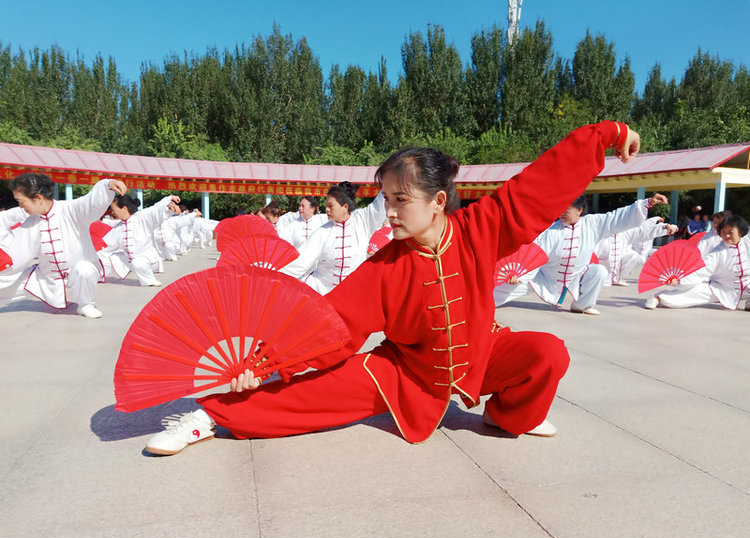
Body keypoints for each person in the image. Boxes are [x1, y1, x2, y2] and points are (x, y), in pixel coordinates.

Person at [143, 120, 642, 456]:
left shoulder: (481, 228)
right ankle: (209, 417)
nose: (390, 211)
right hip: (406, 371)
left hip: (480, 352)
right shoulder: (385, 266)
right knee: (316, 395)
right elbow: (327, 326)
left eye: (401, 200)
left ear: (438, 201)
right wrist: (261, 364)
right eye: (385, 199)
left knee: (548, 351)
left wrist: (602, 136)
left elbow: (536, 188)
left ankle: (509, 416)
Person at [493, 193, 668, 315]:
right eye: (560, 209)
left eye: (566, 210)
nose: (561, 213)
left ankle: (582, 305)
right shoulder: (550, 230)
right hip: (543, 278)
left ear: (579, 210)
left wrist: (648, 203)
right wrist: (519, 274)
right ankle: (479, 305)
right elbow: (533, 254)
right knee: (501, 291)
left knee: (599, 271)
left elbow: (617, 216)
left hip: (577, 276)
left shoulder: (593, 224)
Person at [0, 173, 127, 318]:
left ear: (38, 198)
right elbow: (15, 257)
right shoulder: (30, 223)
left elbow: (91, 202)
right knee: (5, 285)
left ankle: (86, 304)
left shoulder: (71, 209)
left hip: (78, 274)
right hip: (46, 278)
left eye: (21, 201)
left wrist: (107, 185)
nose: (20, 206)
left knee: (84, 269)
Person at [279, 182, 386, 294]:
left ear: (345, 207)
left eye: (331, 206)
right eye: (326, 206)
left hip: (354, 292)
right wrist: (274, 277)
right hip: (322, 291)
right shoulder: (323, 232)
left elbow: (381, 203)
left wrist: (390, 179)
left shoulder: (363, 220)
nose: (327, 210)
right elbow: (300, 263)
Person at [644, 215, 750, 311]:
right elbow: (701, 269)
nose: (726, 236)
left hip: (746, 285)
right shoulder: (717, 252)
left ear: (740, 233)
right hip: (720, 288)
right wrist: (680, 279)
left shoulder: (746, 243)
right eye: (723, 232)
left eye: (730, 232)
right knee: (693, 293)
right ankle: (658, 297)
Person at [101, 194, 179, 287]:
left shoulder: (141, 217)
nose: (112, 212)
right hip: (129, 261)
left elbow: (156, 209)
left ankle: (150, 280)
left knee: (137, 262)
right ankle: (96, 276)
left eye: (113, 209)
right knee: (105, 259)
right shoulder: (118, 227)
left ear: (124, 208)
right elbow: (105, 246)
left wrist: (169, 204)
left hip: (147, 260)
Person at [595, 216, 678, 286]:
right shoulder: (599, 234)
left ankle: (616, 278)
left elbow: (645, 231)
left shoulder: (626, 232)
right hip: (599, 276)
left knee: (636, 257)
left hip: (642, 252)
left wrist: (665, 227)